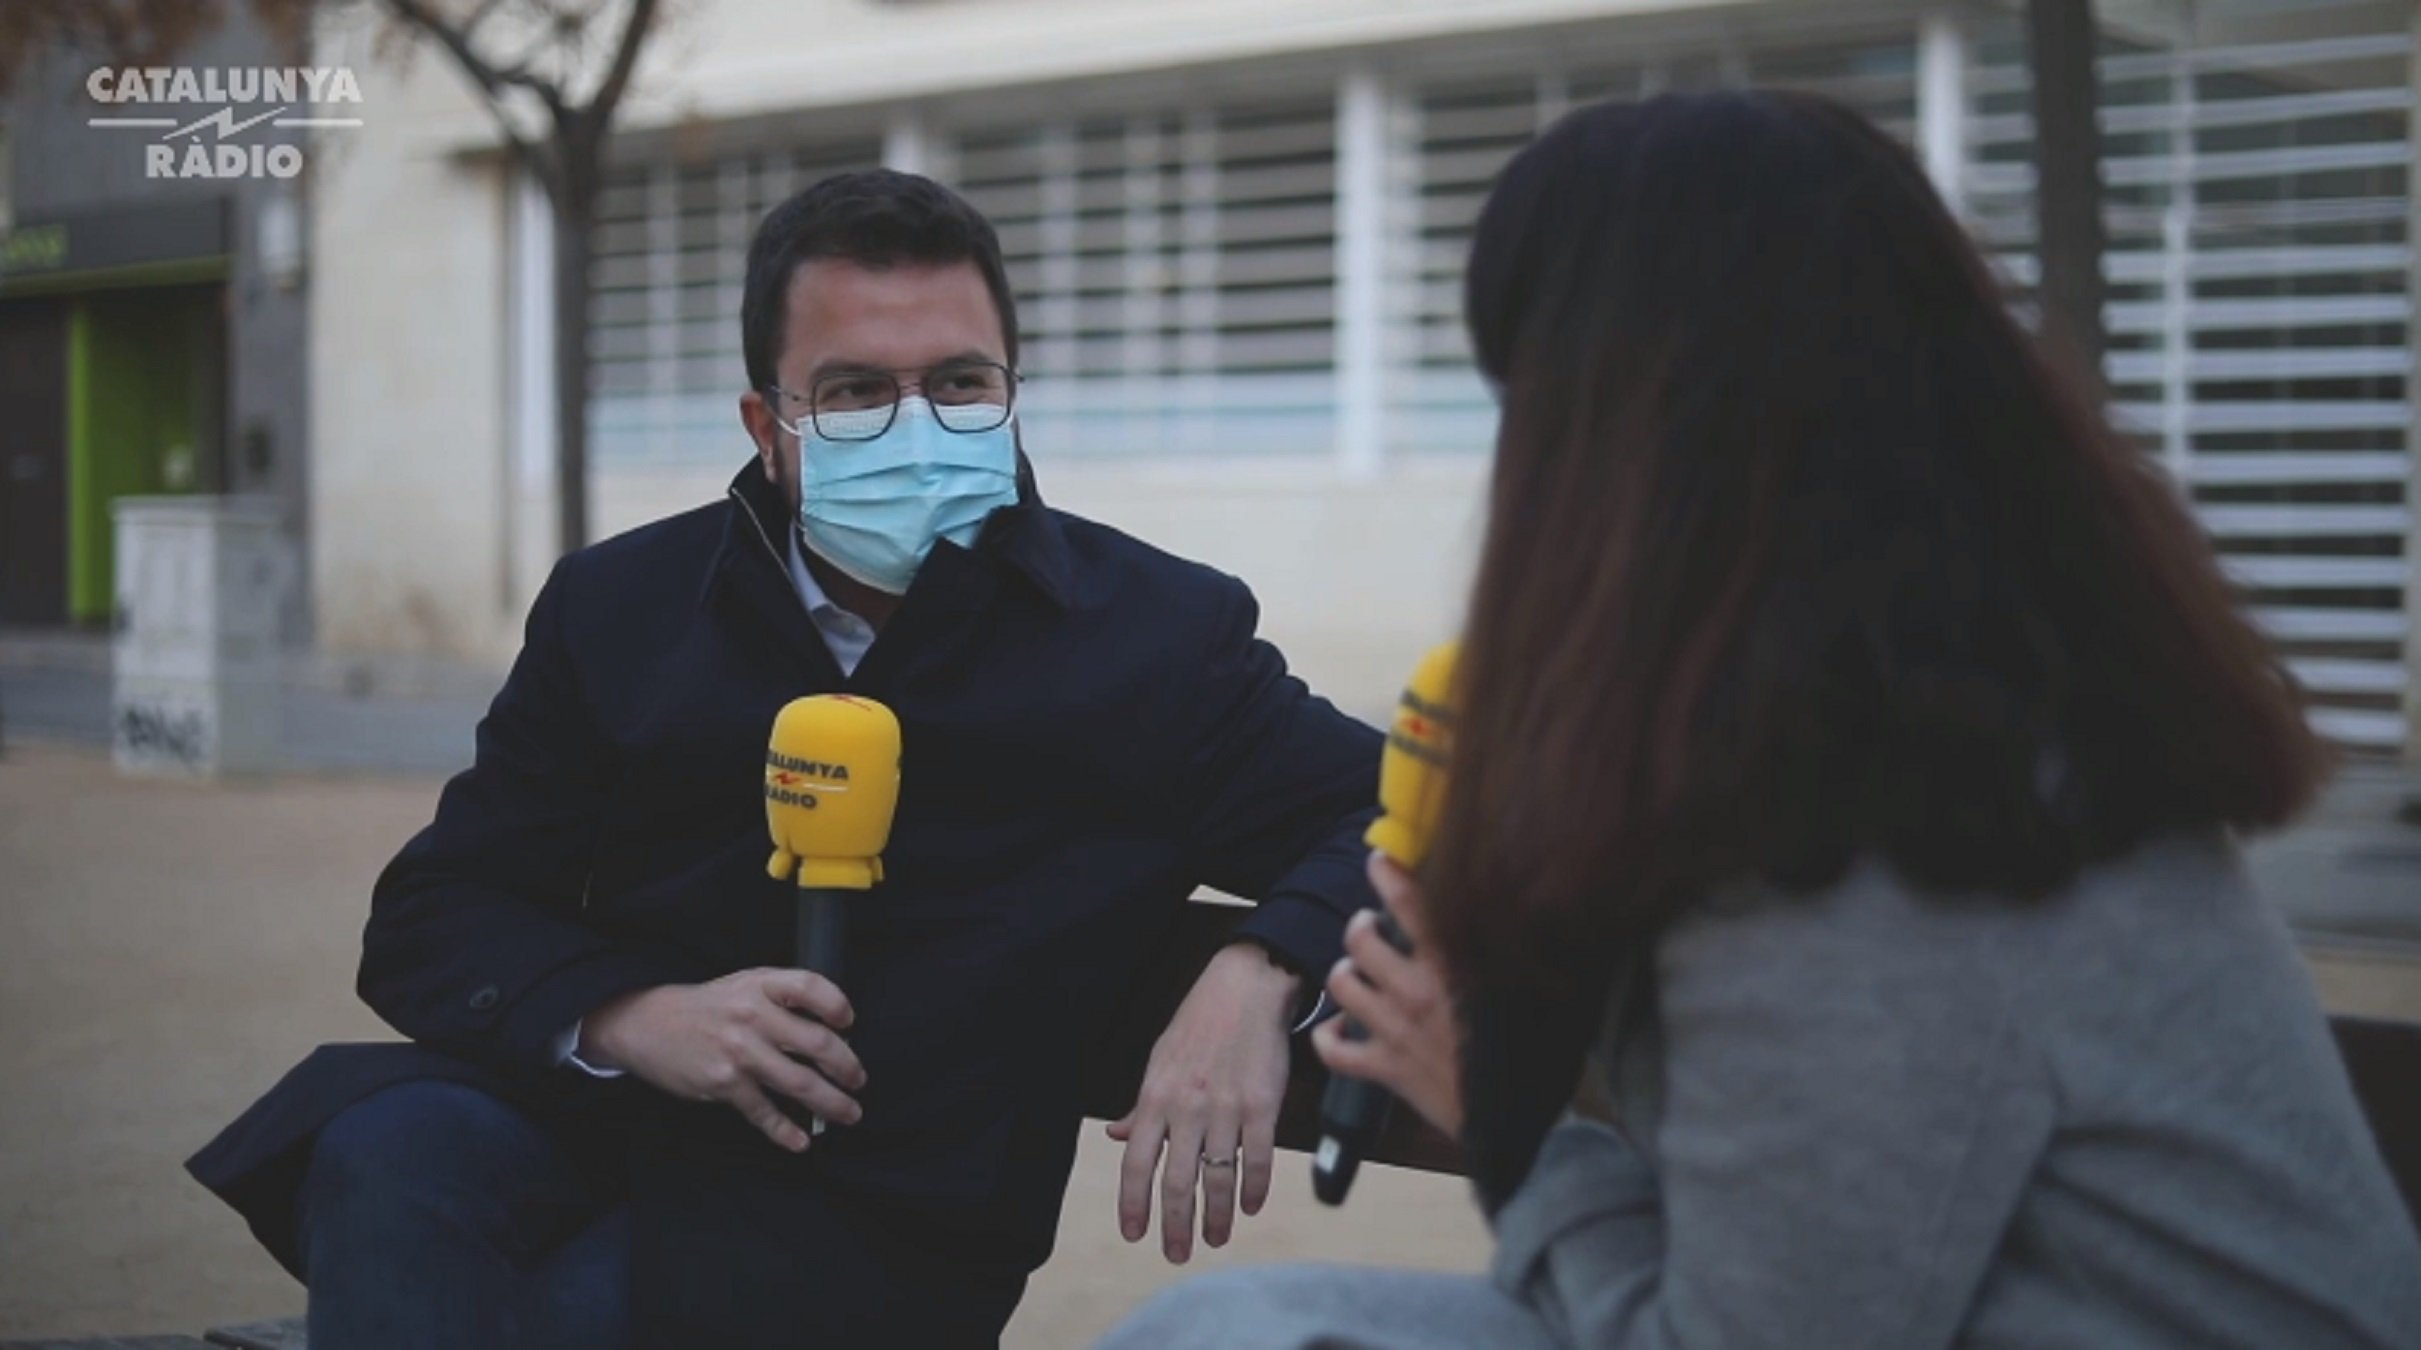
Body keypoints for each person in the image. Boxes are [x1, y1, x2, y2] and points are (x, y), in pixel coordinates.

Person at [1104, 90, 2421, 1349]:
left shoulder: (1885, 838)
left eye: (1524, 400)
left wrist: (1503, 1118)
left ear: (1611, 436)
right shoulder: (1961, 719)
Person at [186, 170, 1382, 1348]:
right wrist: (627, 1014)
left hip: (877, 1227)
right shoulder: (620, 608)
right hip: (602, 1128)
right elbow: (435, 913)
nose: (918, 426)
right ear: (769, 426)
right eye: (857, 391)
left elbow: (1412, 816)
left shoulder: (1154, 637)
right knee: (386, 1152)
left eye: (961, 383)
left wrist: (1261, 966)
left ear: (1013, 395)